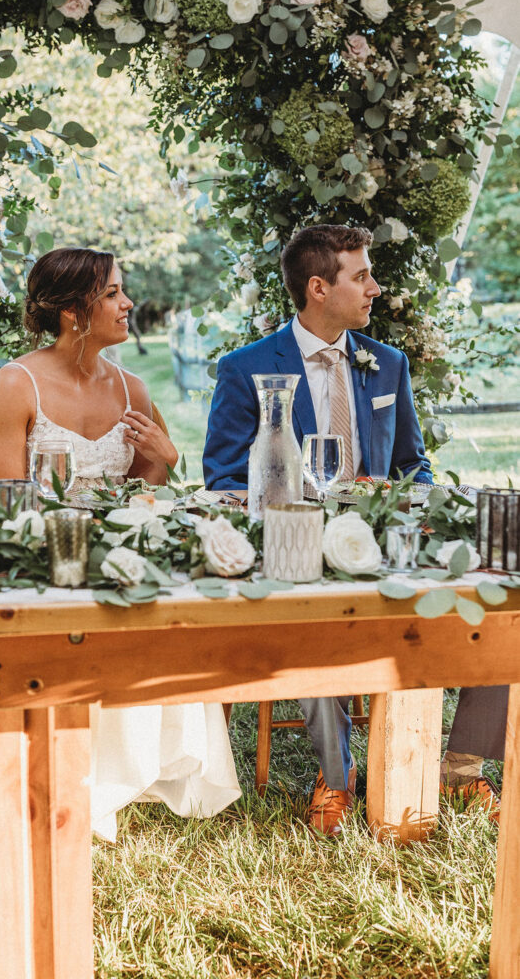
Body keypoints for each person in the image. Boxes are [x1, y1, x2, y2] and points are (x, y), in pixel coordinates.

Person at [203, 224, 505, 833]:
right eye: (361, 275)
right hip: (299, 544)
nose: (375, 287)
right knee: (315, 617)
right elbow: (224, 479)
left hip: (394, 540)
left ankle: (463, 765)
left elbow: (413, 464)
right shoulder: (248, 370)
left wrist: (401, 499)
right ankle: (335, 778)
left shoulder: (386, 363)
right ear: (319, 287)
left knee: (499, 588)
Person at [0, 246, 241, 842]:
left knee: (173, 600)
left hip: (121, 560)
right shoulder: (16, 383)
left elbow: (143, 502)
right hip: (42, 559)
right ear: (73, 310)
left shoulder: (133, 388)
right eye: (112, 293)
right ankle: (59, 771)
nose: (128, 302)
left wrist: (164, 461)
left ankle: (128, 771)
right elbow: (6, 504)